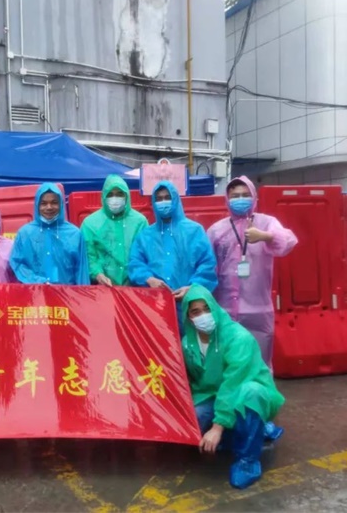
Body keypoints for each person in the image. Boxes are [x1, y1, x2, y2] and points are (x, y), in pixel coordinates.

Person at [181, 284, 285, 490]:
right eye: (195, 312)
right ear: (188, 317)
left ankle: (248, 461)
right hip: (212, 394)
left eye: (207, 309)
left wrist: (217, 427)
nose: (203, 316)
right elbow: (193, 382)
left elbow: (233, 384)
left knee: (250, 394)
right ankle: (252, 432)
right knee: (192, 424)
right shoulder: (188, 343)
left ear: (215, 307)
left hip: (245, 392)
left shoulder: (238, 338)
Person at [206, 176, 297, 367]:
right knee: (229, 362)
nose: (240, 199)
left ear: (254, 197)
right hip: (225, 310)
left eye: (245, 195)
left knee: (260, 363)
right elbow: (207, 266)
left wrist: (266, 236)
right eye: (235, 196)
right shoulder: (217, 230)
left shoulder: (266, 223)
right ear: (227, 199)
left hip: (258, 310)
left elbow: (289, 241)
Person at [128, 180, 218, 324]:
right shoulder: (145, 235)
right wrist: (148, 279)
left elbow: (207, 264)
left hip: (190, 305)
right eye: (158, 199)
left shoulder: (194, 231)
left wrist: (192, 287)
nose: (163, 202)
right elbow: (135, 263)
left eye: (167, 197)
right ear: (153, 203)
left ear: (175, 199)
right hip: (156, 307)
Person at [9, 182, 89, 285]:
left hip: (67, 294)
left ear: (61, 204)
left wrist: (82, 294)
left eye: (54, 202)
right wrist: (37, 281)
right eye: (44, 203)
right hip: (34, 293)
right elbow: (17, 263)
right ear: (37, 205)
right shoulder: (24, 234)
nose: (49, 207)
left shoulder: (75, 234)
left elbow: (82, 272)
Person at [81, 175, 148, 286]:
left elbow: (144, 254)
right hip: (104, 288)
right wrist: (98, 274)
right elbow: (89, 256)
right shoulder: (90, 224)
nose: (115, 199)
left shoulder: (140, 222)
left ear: (127, 195)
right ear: (103, 196)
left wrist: (140, 276)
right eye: (110, 194)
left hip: (135, 286)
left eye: (120, 194)